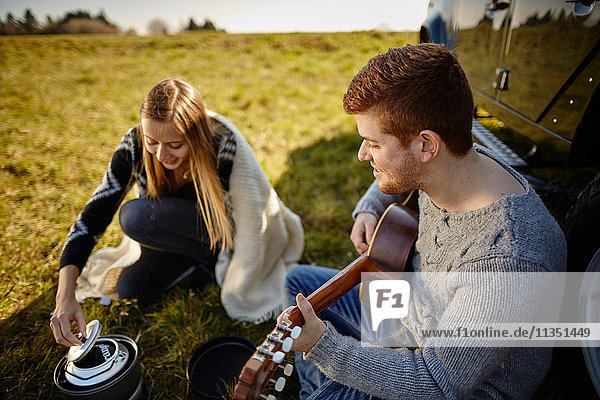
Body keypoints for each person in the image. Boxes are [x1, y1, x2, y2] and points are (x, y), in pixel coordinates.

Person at [281, 44, 567, 399]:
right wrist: (372, 205)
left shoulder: (504, 264)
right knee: (297, 282)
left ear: (426, 145)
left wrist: (325, 347)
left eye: (372, 143)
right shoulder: (464, 164)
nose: (361, 155)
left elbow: (434, 382)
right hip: (409, 319)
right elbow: (404, 168)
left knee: (318, 344)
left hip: (433, 380)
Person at [51, 78, 304, 347]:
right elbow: (93, 217)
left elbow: (255, 216)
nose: (162, 155)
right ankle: (202, 266)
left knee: (135, 216)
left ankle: (216, 260)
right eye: (153, 142)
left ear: (195, 136)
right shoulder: (134, 147)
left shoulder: (223, 145)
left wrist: (243, 275)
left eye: (175, 144)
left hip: (221, 232)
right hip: (173, 235)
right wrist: (64, 296)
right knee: (129, 288)